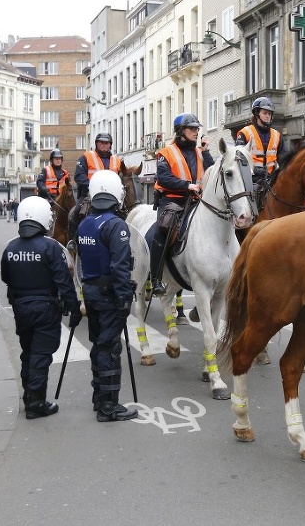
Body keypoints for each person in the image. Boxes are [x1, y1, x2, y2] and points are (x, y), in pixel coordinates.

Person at [1, 196, 80, 419]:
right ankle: (36, 403)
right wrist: (74, 308)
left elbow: (6, 277)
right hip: (45, 307)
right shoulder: (50, 247)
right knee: (40, 355)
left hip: (21, 307)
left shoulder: (11, 248)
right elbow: (63, 281)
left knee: (28, 352)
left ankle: (29, 395)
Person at [76, 170, 138, 422]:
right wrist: (124, 297)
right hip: (109, 294)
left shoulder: (84, 224)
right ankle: (108, 407)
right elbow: (120, 266)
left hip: (90, 291)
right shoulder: (116, 225)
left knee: (98, 345)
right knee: (109, 348)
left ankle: (98, 397)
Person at [149, 113, 204, 296]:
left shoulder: (199, 152)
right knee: (162, 230)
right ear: (180, 131)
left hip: (196, 199)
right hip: (172, 200)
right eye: (192, 129)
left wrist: (208, 152)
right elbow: (164, 178)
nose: (196, 132)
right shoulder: (166, 152)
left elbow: (211, 171)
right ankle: (155, 279)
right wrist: (187, 186)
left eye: (197, 128)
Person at [71, 133, 123, 244]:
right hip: (90, 195)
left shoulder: (117, 160)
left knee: (125, 212)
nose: (104, 145)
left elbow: (121, 178)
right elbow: (79, 176)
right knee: (76, 212)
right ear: (96, 144)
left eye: (106, 143)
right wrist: (91, 186)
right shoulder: (86, 157)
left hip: (112, 196)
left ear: (110, 145)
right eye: (101, 142)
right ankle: (74, 242)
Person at [235, 97, 284, 193]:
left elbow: (283, 159)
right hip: (250, 181)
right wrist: (254, 169)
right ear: (257, 114)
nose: (267, 116)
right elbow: (239, 160)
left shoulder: (277, 135)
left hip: (271, 180)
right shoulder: (245, 133)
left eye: (269, 114)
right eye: (264, 113)